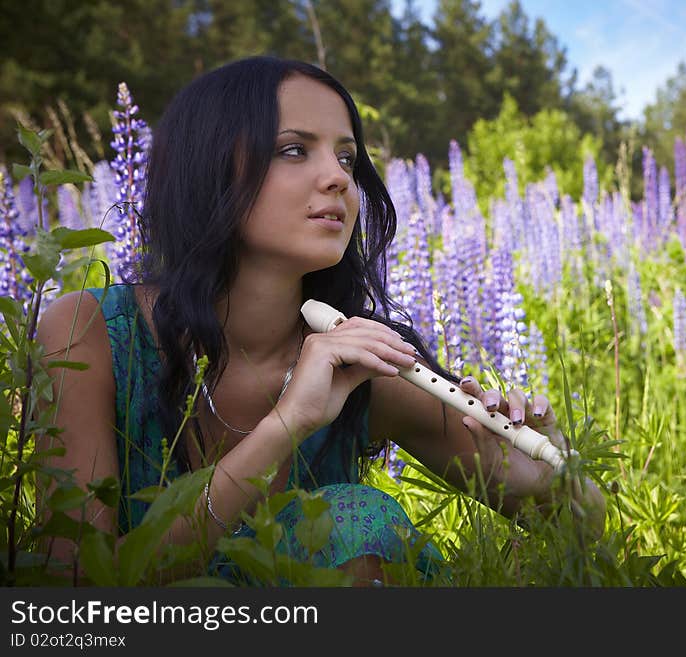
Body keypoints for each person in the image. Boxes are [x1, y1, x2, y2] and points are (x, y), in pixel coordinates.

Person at [35, 55, 606, 586]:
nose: (338, 177)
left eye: (347, 157)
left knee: (355, 521)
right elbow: (75, 590)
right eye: (292, 150)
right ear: (209, 168)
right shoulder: (88, 332)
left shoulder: (361, 361)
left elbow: (587, 525)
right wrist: (289, 423)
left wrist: (553, 475)